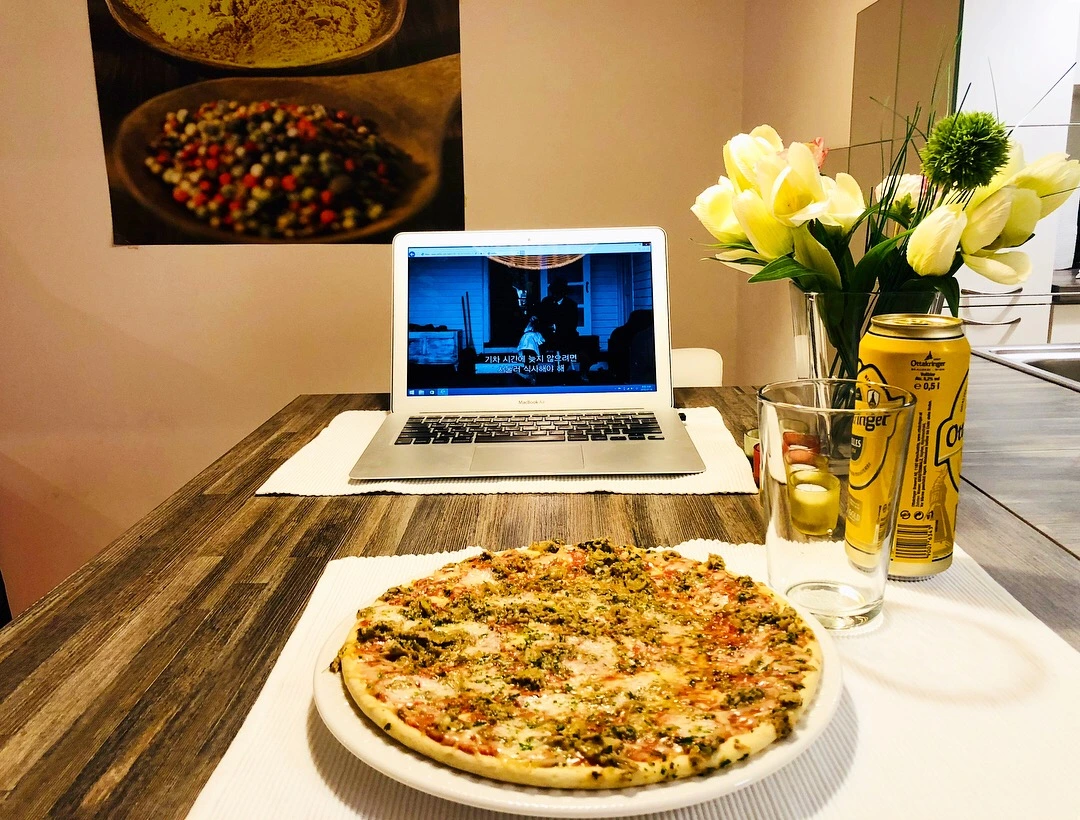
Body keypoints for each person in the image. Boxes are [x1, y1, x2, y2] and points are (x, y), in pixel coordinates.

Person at [537, 278, 578, 350]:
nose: (554, 295)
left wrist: (557, 327)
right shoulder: (546, 302)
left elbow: (572, 324)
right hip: (548, 336)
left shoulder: (571, 305)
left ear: (563, 293)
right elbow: (541, 318)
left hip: (565, 336)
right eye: (553, 292)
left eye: (557, 293)